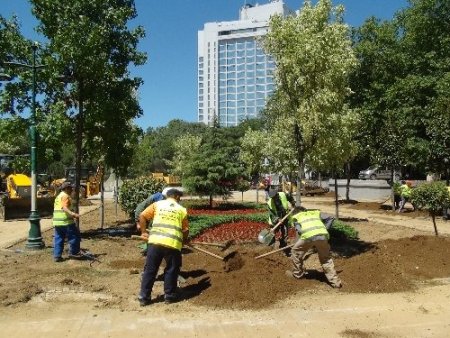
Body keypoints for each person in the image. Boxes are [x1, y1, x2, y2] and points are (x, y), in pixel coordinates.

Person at [137, 188, 189, 306]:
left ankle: (144, 297)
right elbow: (185, 229)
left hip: (155, 242)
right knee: (171, 269)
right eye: (179, 197)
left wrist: (144, 232)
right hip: (172, 244)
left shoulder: (157, 205)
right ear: (175, 197)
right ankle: (169, 296)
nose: (180, 200)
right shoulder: (181, 210)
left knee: (150, 269)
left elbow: (142, 216)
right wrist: (184, 240)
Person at [286, 207, 342, 288]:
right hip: (322, 235)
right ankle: (336, 283)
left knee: (295, 252)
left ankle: (298, 275)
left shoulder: (296, 217)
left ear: (295, 213)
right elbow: (331, 218)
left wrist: (304, 236)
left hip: (308, 236)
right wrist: (324, 229)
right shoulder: (315, 213)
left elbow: (299, 230)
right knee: (326, 259)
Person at [52, 181, 81, 262]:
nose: (72, 189)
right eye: (70, 188)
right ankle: (74, 253)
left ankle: (57, 256)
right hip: (66, 222)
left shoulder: (58, 196)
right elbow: (64, 207)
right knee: (75, 236)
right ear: (66, 188)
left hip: (57, 222)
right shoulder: (65, 196)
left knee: (59, 238)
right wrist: (73, 214)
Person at [267, 188, 296, 254]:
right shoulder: (269, 203)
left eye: (275, 197)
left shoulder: (283, 194)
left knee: (285, 233)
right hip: (274, 220)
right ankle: (270, 248)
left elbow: (290, 197)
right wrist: (277, 219)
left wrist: (293, 204)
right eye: (273, 198)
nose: (274, 199)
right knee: (272, 233)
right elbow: (272, 214)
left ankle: (283, 248)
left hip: (284, 216)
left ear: (277, 194)